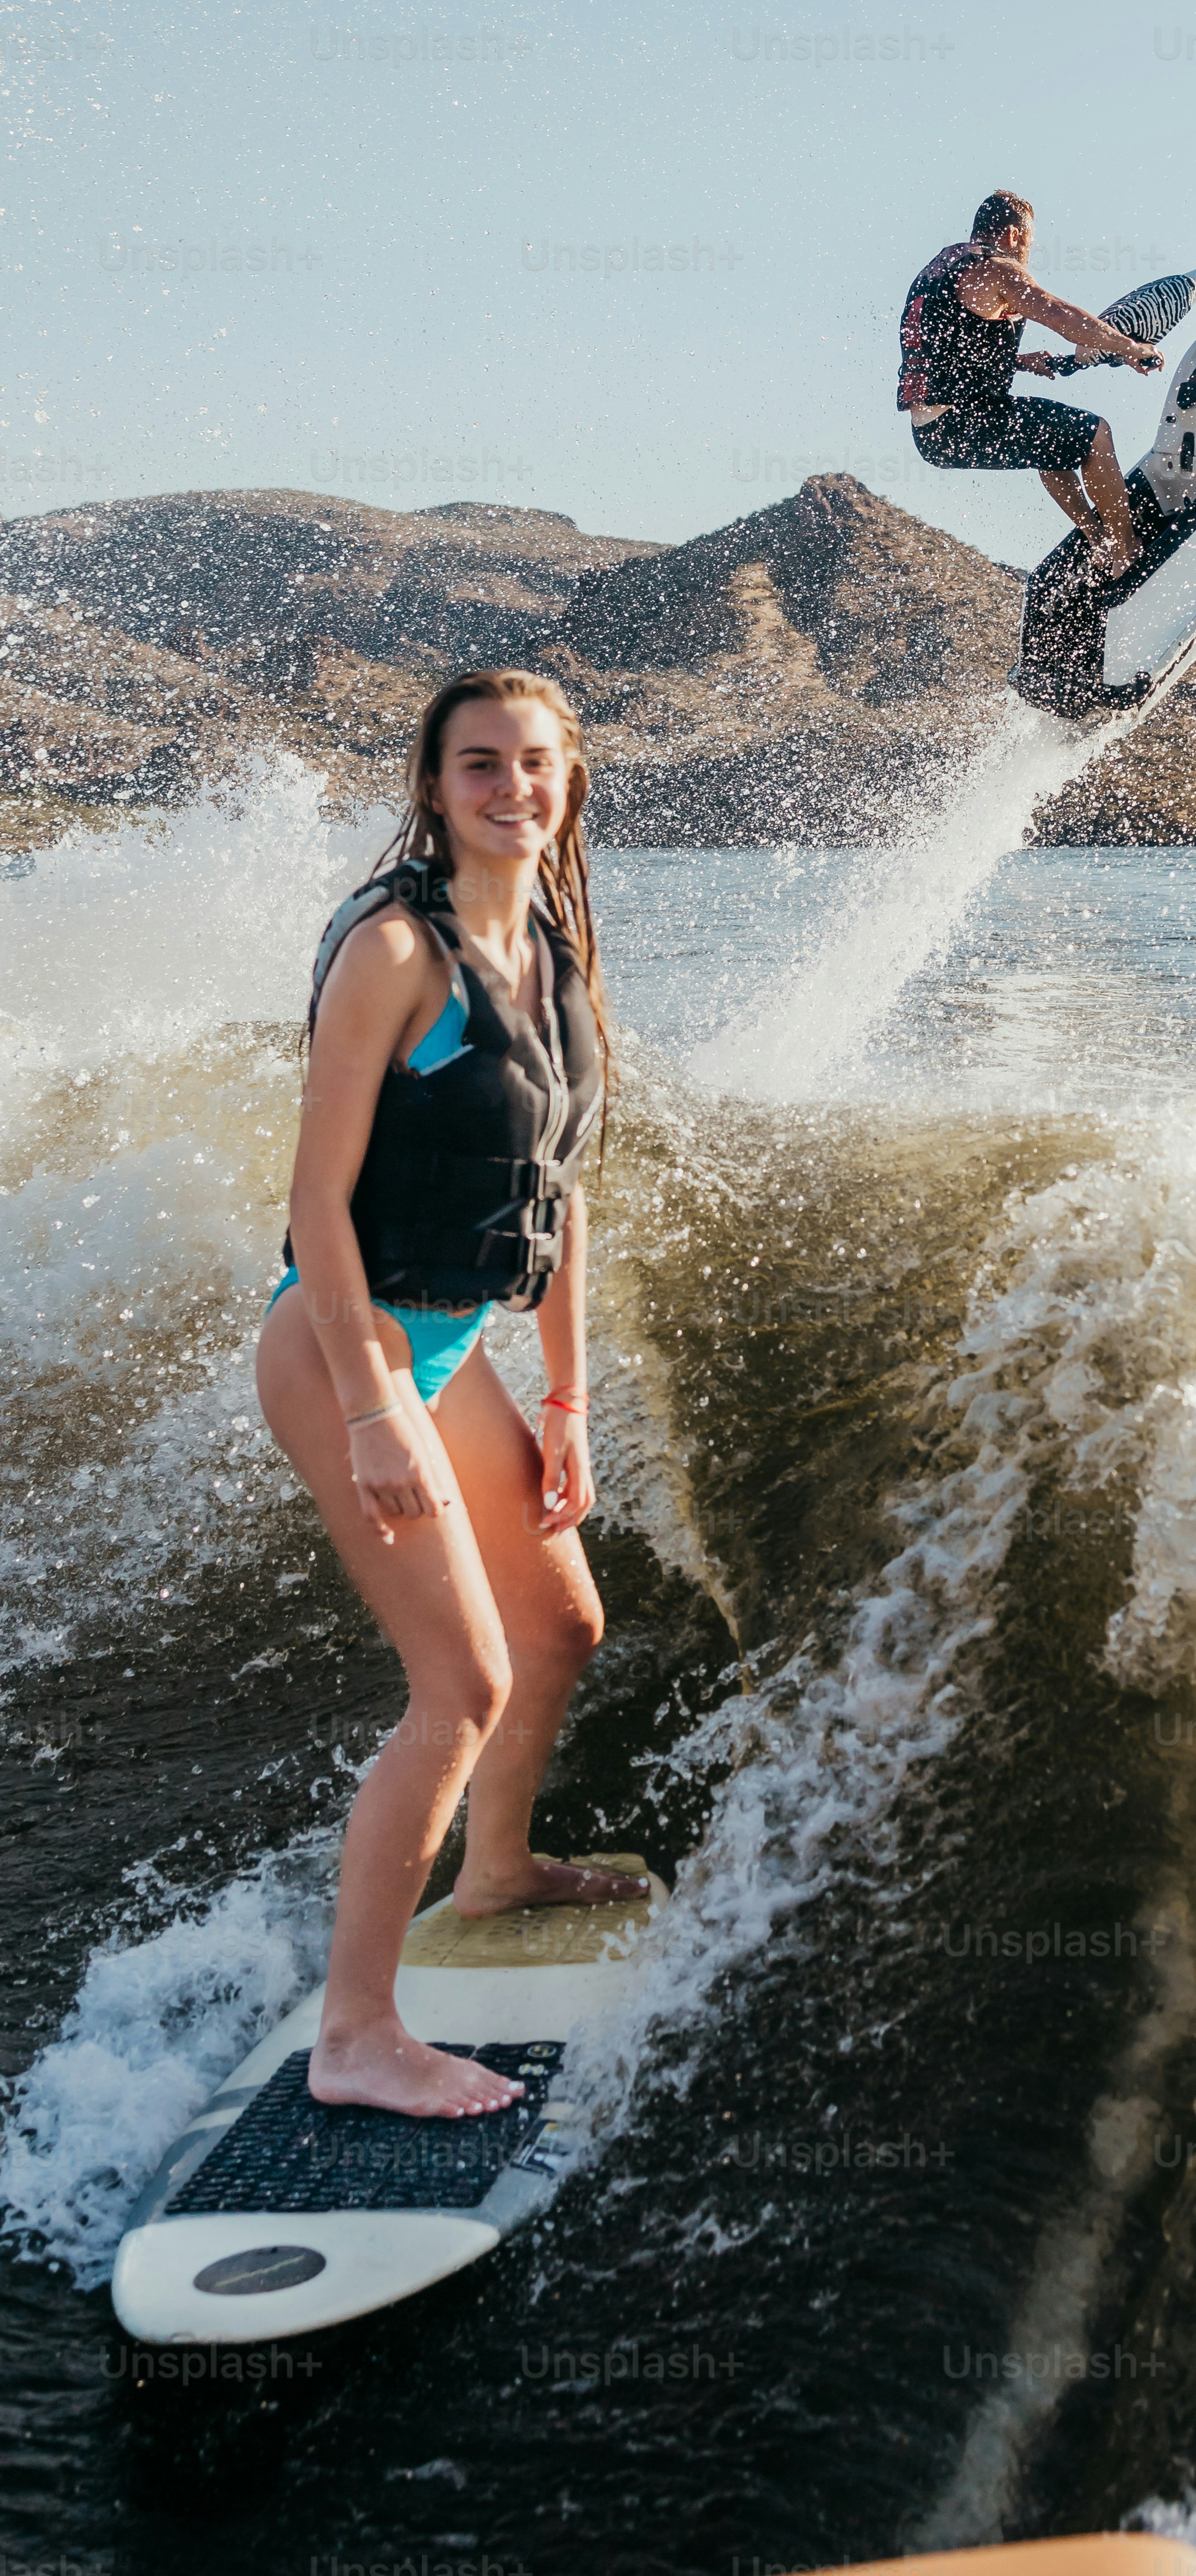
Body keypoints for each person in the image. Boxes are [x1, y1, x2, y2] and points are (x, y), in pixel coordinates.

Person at [257, 665, 646, 2121]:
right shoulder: (397, 952)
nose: (510, 787)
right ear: (433, 786)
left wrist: (566, 1399)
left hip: (460, 1346)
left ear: (569, 780)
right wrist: (372, 1410)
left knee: (558, 1624)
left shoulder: (552, 941)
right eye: (477, 764)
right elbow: (317, 1204)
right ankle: (355, 2033)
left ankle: (492, 1873)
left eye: (535, 763)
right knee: (461, 1684)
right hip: (343, 1346)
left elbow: (559, 1189)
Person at [898, 189, 1162, 575]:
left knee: (1050, 438)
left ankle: (1095, 536)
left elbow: (948, 351)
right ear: (1013, 236)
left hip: (932, 432)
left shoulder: (941, 267)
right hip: (963, 420)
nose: (1029, 254)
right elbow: (1057, 314)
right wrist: (1129, 347)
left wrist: (1019, 361)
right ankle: (1125, 551)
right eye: (1030, 244)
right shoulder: (998, 268)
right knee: (1094, 435)